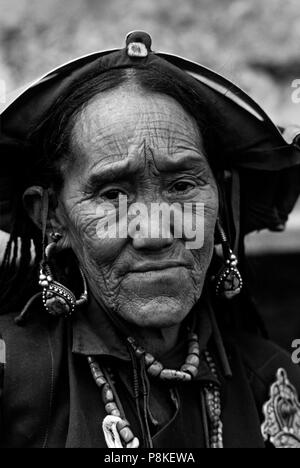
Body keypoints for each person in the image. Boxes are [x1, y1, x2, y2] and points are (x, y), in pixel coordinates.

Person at [0, 31, 300, 449]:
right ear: (52, 217)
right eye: (112, 195)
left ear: (223, 198)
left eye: (181, 185)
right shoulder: (10, 375)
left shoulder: (273, 381)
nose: (155, 232)